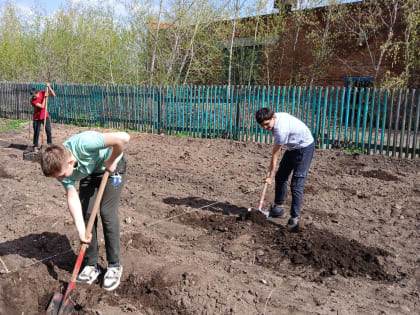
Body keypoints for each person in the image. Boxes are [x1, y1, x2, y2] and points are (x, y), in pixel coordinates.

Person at [40, 130, 130, 291]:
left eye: (61, 176)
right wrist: (81, 232)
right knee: (87, 216)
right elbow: (71, 196)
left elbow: (124, 138)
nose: (61, 179)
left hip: (113, 170)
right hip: (89, 174)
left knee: (107, 212)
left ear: (69, 162)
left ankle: (114, 265)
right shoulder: (61, 168)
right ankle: (91, 265)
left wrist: (111, 160)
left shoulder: (84, 143)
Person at [255, 108, 315, 229]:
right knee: (281, 176)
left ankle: (294, 218)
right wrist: (273, 176)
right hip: (292, 147)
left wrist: (270, 177)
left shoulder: (280, 130)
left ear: (273, 118)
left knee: (296, 184)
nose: (266, 128)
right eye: (262, 126)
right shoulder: (275, 118)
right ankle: (278, 209)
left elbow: (275, 155)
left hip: (304, 147)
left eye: (267, 125)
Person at [30, 83, 56, 151]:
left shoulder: (42, 92)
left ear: (37, 93)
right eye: (32, 96)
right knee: (36, 132)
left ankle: (49, 145)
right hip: (37, 118)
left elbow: (53, 95)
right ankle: (35, 146)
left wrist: (49, 87)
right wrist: (45, 98)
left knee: (48, 131)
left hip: (45, 116)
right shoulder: (32, 101)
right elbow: (42, 106)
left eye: (34, 96)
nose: (33, 97)